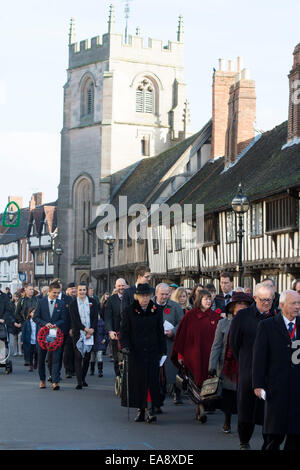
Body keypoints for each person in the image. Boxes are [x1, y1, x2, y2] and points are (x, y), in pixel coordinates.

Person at [229, 283, 277, 450]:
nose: (266, 303)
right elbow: (234, 343)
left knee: (268, 409)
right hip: (248, 368)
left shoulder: (276, 316)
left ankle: (269, 442)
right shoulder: (242, 316)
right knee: (246, 406)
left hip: (270, 372)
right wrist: (245, 360)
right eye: (263, 300)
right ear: (255, 298)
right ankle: (244, 440)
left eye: (270, 300)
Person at [253, 290, 300, 451]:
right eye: (293, 303)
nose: (297, 307)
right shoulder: (267, 326)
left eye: (299, 303)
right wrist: (258, 384)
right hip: (276, 388)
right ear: (282, 305)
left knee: (296, 433)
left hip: (297, 389)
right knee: (274, 435)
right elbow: (259, 358)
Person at [120, 283, 167, 423]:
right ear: (137, 296)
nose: (145, 299)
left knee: (151, 381)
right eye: (142, 296)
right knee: (138, 382)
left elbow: (160, 332)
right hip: (136, 352)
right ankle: (141, 409)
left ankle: (150, 410)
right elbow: (124, 332)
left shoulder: (156, 310)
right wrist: (126, 346)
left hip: (152, 352)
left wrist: (163, 351)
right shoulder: (129, 311)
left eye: (147, 296)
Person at [171, 289, 220, 423]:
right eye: (205, 299)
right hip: (193, 356)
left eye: (210, 299)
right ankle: (201, 407)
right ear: (199, 300)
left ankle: (201, 407)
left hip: (209, 356)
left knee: (206, 382)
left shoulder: (215, 317)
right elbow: (182, 337)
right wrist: (180, 355)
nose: (208, 301)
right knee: (195, 382)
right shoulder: (190, 316)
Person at [208, 292, 253, 433]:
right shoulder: (223, 323)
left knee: (244, 396)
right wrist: (212, 366)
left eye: (245, 305)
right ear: (232, 308)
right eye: (239, 304)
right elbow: (216, 346)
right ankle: (227, 421)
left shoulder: (252, 323)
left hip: (245, 364)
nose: (241, 307)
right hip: (227, 365)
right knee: (228, 396)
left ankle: (242, 423)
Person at [154, 283, 184, 406]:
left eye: (167, 294)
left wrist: (173, 332)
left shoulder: (175, 307)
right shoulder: (150, 306)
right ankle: (157, 400)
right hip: (155, 345)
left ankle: (177, 392)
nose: (164, 296)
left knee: (172, 370)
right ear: (156, 294)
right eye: (162, 294)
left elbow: (181, 323)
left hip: (170, 343)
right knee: (157, 373)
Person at [33, 281, 66, 391]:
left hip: (55, 334)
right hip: (43, 335)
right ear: (49, 292)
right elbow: (35, 317)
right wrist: (45, 324)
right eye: (54, 293)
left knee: (56, 358)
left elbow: (63, 319)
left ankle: (55, 381)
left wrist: (55, 325)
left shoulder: (61, 303)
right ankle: (42, 380)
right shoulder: (40, 302)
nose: (56, 295)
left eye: (58, 293)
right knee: (41, 359)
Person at [69, 283, 98, 390]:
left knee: (87, 357)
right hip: (78, 333)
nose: (82, 292)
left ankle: (83, 378)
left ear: (87, 290)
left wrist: (92, 330)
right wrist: (85, 329)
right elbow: (74, 320)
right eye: (80, 290)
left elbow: (95, 317)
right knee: (78, 356)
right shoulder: (73, 304)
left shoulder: (93, 302)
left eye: (84, 290)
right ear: (77, 291)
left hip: (90, 333)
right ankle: (79, 381)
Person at [104, 278, 127, 382]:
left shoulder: (131, 298)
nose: (121, 288)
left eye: (123, 285)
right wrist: (110, 331)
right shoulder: (111, 299)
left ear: (126, 285)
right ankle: (118, 376)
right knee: (116, 357)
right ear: (116, 287)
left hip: (128, 332)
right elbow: (107, 317)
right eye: (119, 286)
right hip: (115, 332)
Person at [21, 307, 38, 372]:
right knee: (30, 353)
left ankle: (36, 361)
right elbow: (23, 331)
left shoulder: (38, 322)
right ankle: (31, 366)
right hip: (29, 340)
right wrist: (22, 340)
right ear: (30, 314)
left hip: (36, 340)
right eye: (33, 312)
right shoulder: (27, 322)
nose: (34, 313)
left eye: (35, 312)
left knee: (36, 352)